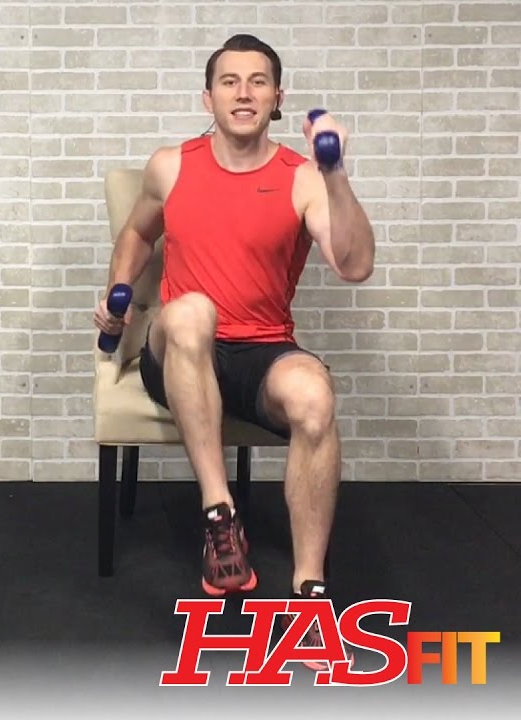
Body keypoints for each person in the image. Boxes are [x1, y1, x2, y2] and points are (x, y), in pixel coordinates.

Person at [93, 34, 375, 619]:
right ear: (208, 98)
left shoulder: (303, 177)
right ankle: (220, 516)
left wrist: (335, 172)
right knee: (192, 311)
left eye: (257, 82)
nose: (243, 93)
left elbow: (355, 266)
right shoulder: (171, 165)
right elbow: (138, 232)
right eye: (229, 82)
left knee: (314, 397)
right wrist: (117, 294)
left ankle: (309, 586)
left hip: (261, 350)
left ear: (277, 97)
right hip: (178, 350)